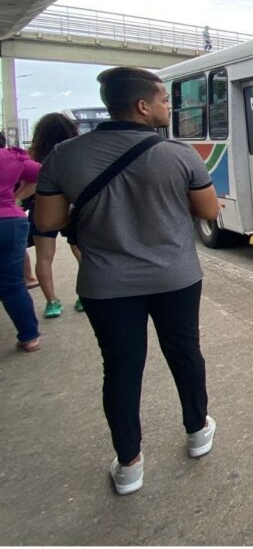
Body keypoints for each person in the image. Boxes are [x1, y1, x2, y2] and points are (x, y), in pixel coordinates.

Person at [35, 67, 221, 495]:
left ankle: (130, 464)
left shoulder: (65, 155)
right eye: (163, 100)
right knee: (185, 352)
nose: (167, 106)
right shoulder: (179, 154)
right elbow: (208, 211)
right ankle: (197, 432)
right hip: (175, 277)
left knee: (120, 368)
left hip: (106, 283)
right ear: (142, 106)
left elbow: (48, 221)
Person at [24, 112, 83, 317]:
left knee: (44, 258)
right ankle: (83, 297)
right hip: (72, 207)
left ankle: (52, 303)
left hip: (41, 208)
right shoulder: (75, 153)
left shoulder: (34, 156)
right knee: (82, 254)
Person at [0, 140, 42, 352]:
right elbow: (39, 173)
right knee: (13, 285)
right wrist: (15, 198)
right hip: (10, 221)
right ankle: (29, 337)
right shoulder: (11, 157)